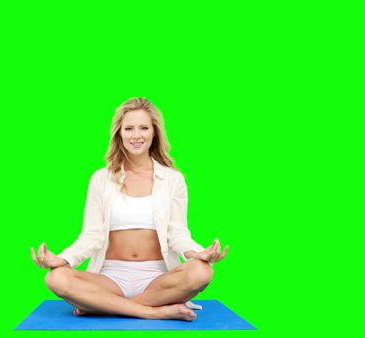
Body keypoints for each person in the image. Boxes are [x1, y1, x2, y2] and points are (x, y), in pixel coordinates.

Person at [30, 97, 229, 321]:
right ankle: (153, 312)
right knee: (55, 278)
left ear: (154, 133)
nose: (136, 135)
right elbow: (91, 235)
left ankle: (103, 307)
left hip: (157, 279)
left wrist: (198, 253)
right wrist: (63, 260)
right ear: (119, 133)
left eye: (144, 128)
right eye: (129, 128)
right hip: (110, 278)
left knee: (202, 271)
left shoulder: (173, 179)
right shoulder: (100, 178)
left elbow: (178, 233)